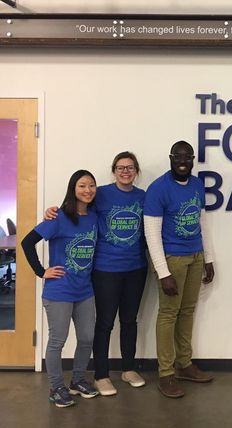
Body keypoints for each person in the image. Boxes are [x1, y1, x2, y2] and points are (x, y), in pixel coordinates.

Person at [45, 152, 148, 396]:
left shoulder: (143, 197)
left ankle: (128, 369)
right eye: (121, 168)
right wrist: (53, 212)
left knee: (130, 320)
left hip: (136, 268)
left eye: (130, 168)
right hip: (105, 270)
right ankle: (101, 375)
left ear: (136, 171)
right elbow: (77, 204)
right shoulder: (100, 193)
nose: (126, 172)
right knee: (104, 323)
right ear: (113, 171)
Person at [21, 170, 100, 408]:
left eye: (91, 186)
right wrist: (40, 270)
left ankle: (77, 380)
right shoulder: (58, 218)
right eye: (82, 186)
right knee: (58, 340)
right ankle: (56, 388)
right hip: (60, 291)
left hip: (85, 289)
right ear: (73, 189)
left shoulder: (94, 216)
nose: (87, 190)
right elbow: (27, 242)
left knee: (87, 338)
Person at [144, 140, 215, 399]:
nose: (183, 162)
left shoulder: (196, 185)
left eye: (188, 157)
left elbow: (202, 222)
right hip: (172, 258)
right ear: (171, 158)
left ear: (193, 159)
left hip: (195, 256)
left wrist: (208, 258)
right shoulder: (158, 189)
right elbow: (151, 234)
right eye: (178, 157)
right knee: (168, 314)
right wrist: (163, 273)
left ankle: (185, 364)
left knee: (188, 311)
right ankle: (166, 373)